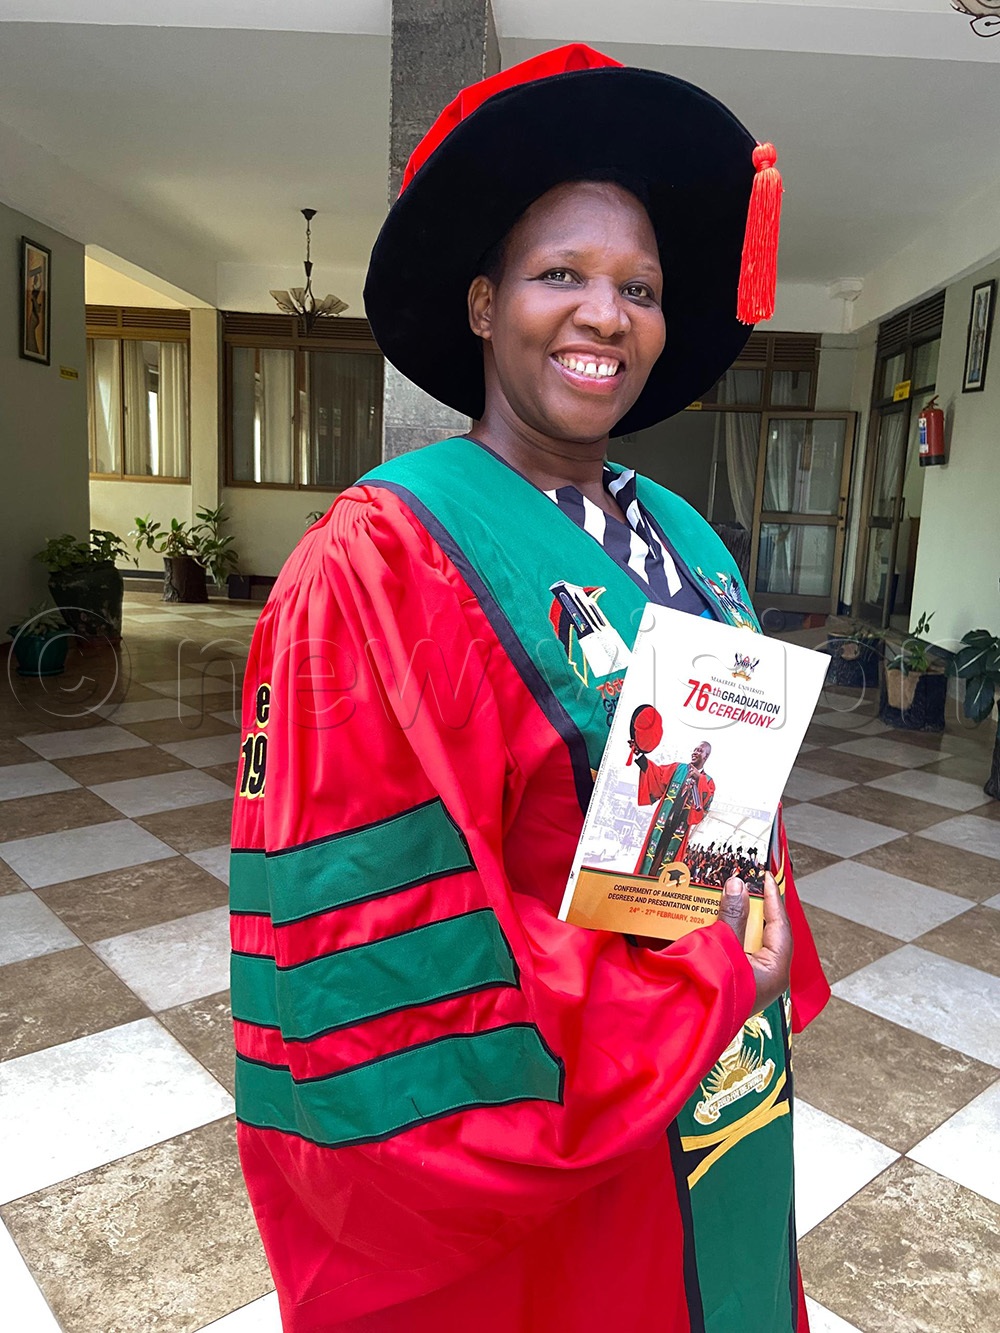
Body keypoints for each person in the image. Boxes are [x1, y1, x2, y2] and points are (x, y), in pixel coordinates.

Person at [230, 44, 830, 1333]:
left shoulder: (685, 535)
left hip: (718, 1090)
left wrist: (741, 952)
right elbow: (378, 970)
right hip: (556, 1153)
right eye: (562, 273)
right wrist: (702, 984)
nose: (606, 314)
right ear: (483, 304)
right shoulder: (385, 557)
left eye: (639, 286)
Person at [633, 739, 716, 875]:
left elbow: (704, 807)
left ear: (706, 756)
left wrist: (699, 779)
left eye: (700, 751)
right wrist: (640, 755)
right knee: (650, 858)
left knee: (667, 867)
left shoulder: (708, 781)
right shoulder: (678, 768)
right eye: (695, 749)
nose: (695, 752)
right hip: (661, 823)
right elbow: (656, 774)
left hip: (679, 830)